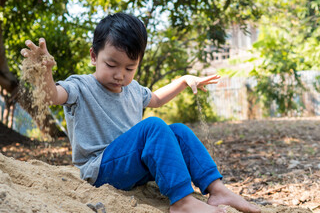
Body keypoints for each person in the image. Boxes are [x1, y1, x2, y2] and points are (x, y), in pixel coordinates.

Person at [21, 12, 260, 213]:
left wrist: (184, 81)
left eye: (129, 68)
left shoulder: (132, 88)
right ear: (94, 56)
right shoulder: (80, 86)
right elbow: (53, 97)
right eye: (111, 65)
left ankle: (217, 190)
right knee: (153, 126)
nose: (120, 75)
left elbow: (155, 98)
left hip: (134, 167)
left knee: (178, 131)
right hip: (100, 170)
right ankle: (183, 202)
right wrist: (44, 73)